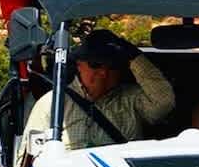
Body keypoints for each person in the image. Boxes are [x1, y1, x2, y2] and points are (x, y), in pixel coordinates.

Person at [24, 28, 175, 150]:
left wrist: (134, 55)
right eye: (95, 64)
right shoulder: (53, 105)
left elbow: (164, 103)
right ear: (79, 64)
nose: (103, 73)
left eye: (112, 66)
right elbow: (27, 160)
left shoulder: (131, 98)